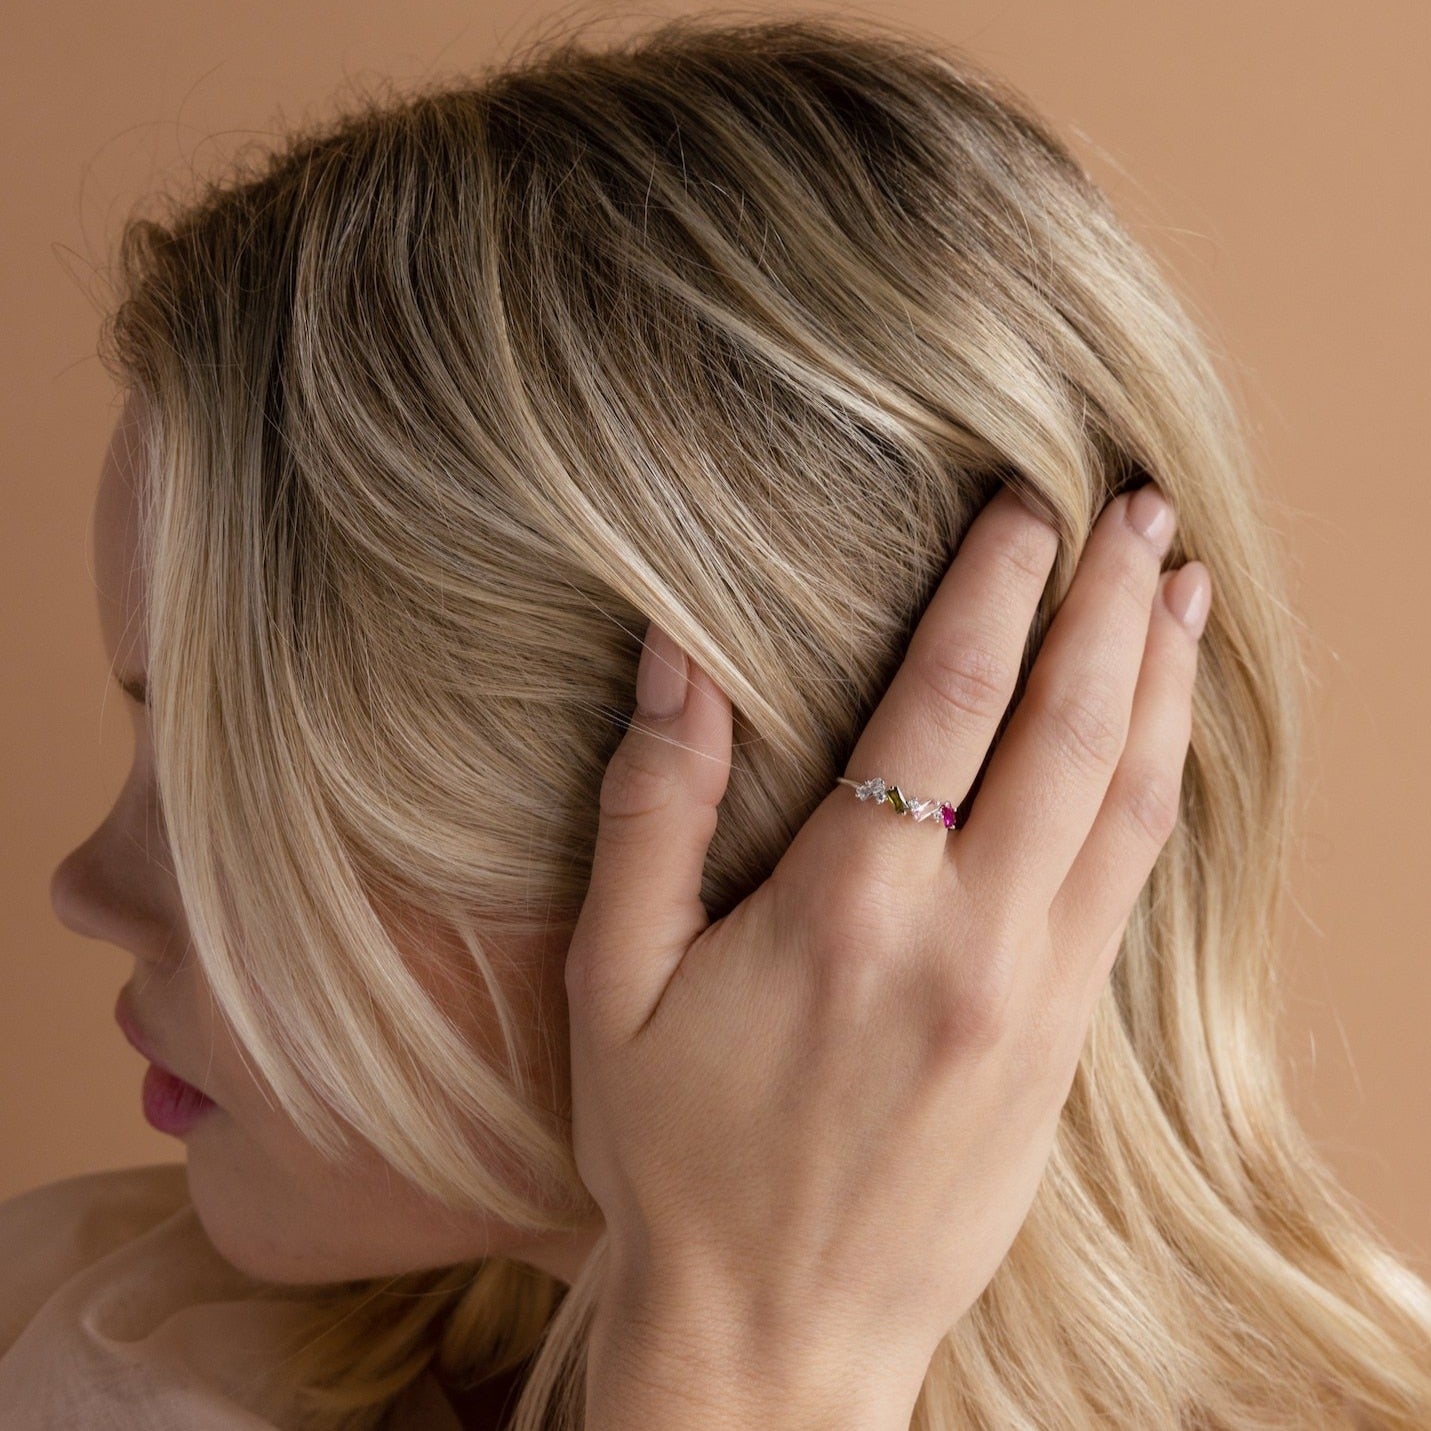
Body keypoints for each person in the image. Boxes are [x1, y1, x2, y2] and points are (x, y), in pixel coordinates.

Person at [5, 11, 1428, 1430]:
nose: (87, 889)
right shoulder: (91, 1344)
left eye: (219, 783)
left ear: (771, 863)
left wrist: (749, 1364)